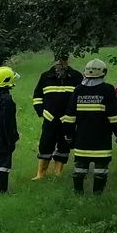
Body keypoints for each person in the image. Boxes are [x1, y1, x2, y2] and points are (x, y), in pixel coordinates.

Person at [69, 59, 117, 194]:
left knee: (80, 167)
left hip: (82, 138)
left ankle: (78, 193)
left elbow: (70, 116)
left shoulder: (78, 90)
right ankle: (98, 194)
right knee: (101, 168)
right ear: (104, 72)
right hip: (101, 138)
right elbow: (114, 115)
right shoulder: (107, 89)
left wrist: (68, 134)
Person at [31, 52, 82, 180]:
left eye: (63, 59)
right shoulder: (45, 76)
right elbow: (37, 97)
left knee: (64, 145)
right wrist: (42, 112)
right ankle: (40, 174)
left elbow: (81, 98)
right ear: (54, 61)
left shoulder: (76, 76)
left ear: (67, 60)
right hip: (50, 118)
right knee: (45, 144)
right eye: (58, 60)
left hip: (68, 119)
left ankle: (57, 173)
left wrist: (74, 115)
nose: (60, 62)